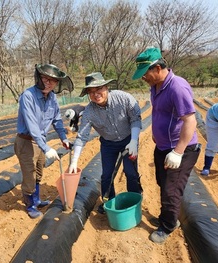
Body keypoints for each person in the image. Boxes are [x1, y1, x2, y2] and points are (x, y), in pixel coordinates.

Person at [132, 47, 201, 244]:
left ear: (158, 68)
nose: (143, 78)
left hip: (181, 150)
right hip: (163, 147)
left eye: (145, 73)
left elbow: (189, 120)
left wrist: (178, 152)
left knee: (171, 190)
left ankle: (169, 225)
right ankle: (166, 218)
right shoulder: (155, 86)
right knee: (163, 184)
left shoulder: (177, 87)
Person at [68, 72, 143, 214]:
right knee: (107, 175)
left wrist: (134, 140)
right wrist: (74, 161)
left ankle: (135, 198)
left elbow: (135, 118)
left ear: (106, 87)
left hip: (129, 139)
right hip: (108, 144)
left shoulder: (123, 98)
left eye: (99, 89)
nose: (96, 94)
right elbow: (82, 136)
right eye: (91, 92)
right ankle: (109, 201)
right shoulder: (90, 111)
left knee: (131, 172)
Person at [14, 63, 73, 219]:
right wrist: (47, 149)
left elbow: (57, 120)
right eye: (45, 79)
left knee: (39, 171)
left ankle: (37, 199)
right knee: (30, 174)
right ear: (38, 78)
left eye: (53, 80)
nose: (49, 83)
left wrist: (64, 138)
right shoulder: (28, 96)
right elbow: (32, 128)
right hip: (27, 141)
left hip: (40, 141)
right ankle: (30, 205)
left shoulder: (52, 97)